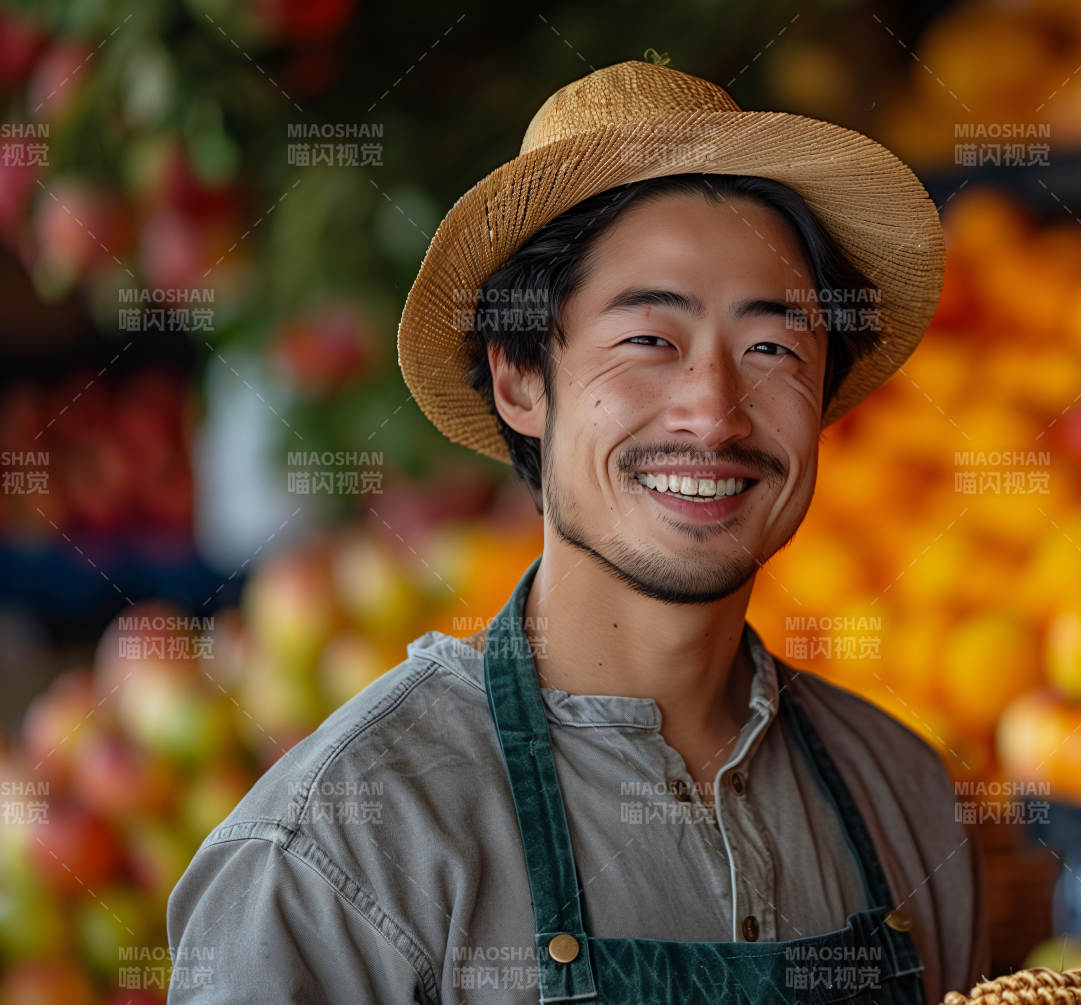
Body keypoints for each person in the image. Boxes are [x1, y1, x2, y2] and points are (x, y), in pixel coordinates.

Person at [167, 59, 989, 1004]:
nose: (713, 412)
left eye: (772, 347)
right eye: (650, 340)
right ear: (520, 377)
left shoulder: (908, 801)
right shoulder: (339, 852)